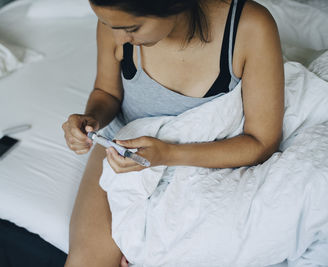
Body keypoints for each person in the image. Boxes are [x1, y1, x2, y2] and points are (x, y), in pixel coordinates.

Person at [62, 0, 284, 265]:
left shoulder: (250, 27)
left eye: (132, 27)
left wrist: (169, 154)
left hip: (206, 155)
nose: (119, 37)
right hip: (124, 149)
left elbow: (261, 142)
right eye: (111, 25)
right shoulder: (115, 20)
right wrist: (92, 118)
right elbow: (107, 92)